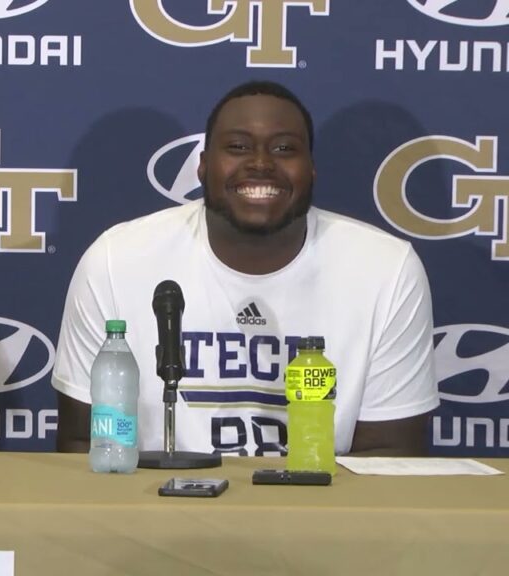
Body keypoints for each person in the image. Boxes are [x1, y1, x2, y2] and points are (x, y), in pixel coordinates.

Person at [52, 80, 438, 457]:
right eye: (237, 147)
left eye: (284, 148)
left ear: (312, 169)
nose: (260, 164)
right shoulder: (116, 261)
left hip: (320, 515)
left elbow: (390, 458)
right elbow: (83, 445)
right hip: (157, 513)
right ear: (202, 167)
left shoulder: (385, 269)